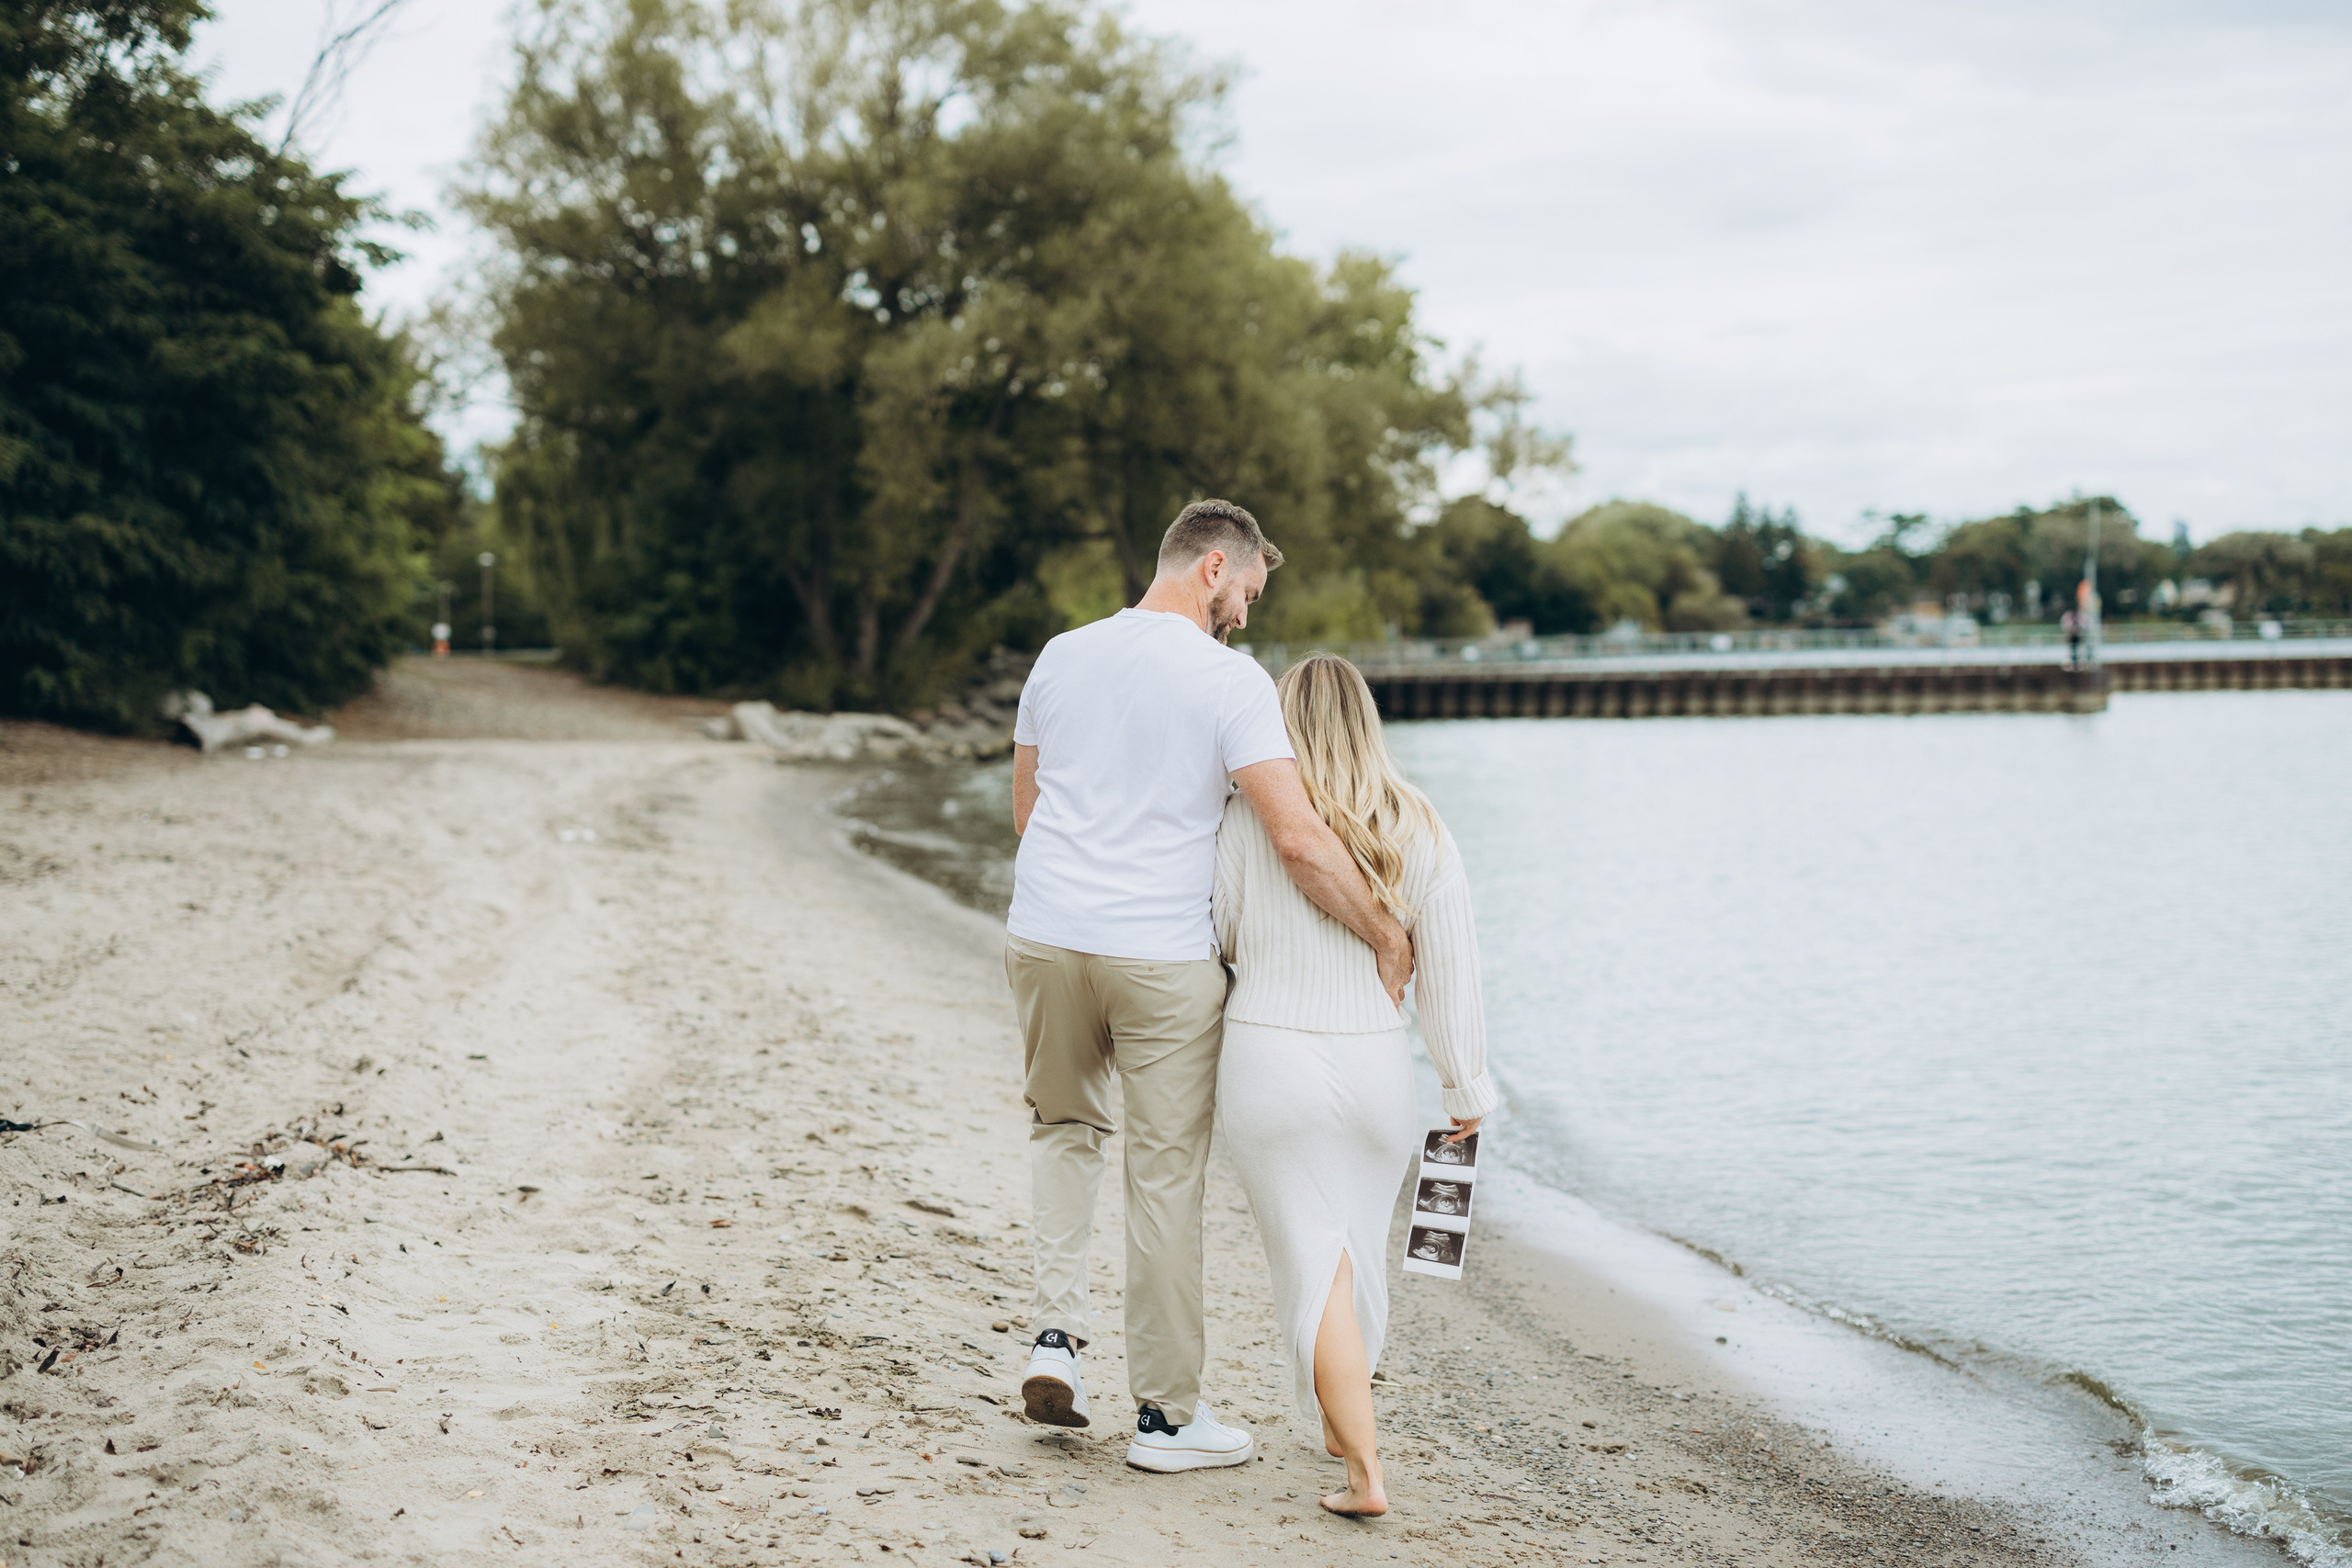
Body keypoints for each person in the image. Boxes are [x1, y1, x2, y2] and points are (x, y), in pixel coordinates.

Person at [1004, 501, 1414, 1474]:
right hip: (1162, 961)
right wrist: (1384, 934)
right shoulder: (1231, 681)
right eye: (1247, 594)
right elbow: (1297, 838)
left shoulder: (1060, 654)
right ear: (1213, 565)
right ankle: (1164, 1418)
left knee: (1062, 1131)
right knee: (1163, 1175)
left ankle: (1053, 1338)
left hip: (1045, 937)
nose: (1246, 615)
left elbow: (1027, 809)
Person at [1214, 652, 1496, 1518]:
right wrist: (1465, 1088)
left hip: (1268, 1058)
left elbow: (1219, 931)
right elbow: (1450, 974)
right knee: (1351, 1256)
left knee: (1314, 1263)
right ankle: (1343, 1421)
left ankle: (1366, 1473)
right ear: (1369, 721)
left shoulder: (1243, 817)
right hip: (1377, 1067)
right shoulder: (1420, 824)